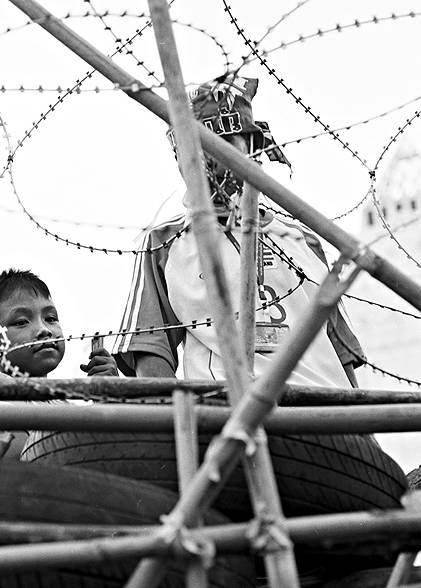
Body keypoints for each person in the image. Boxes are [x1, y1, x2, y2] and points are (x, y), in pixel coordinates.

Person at [112, 73, 365, 388]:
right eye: (194, 151)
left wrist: (357, 423)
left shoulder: (304, 239)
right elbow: (152, 352)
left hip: (324, 409)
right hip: (231, 409)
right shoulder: (166, 244)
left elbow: (338, 349)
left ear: (253, 150)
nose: (209, 163)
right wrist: (179, 423)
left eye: (224, 146)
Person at [0, 268, 118, 458]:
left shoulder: (61, 404)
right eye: (21, 322)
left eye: (50, 318)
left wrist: (110, 397)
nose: (44, 329)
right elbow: (24, 458)